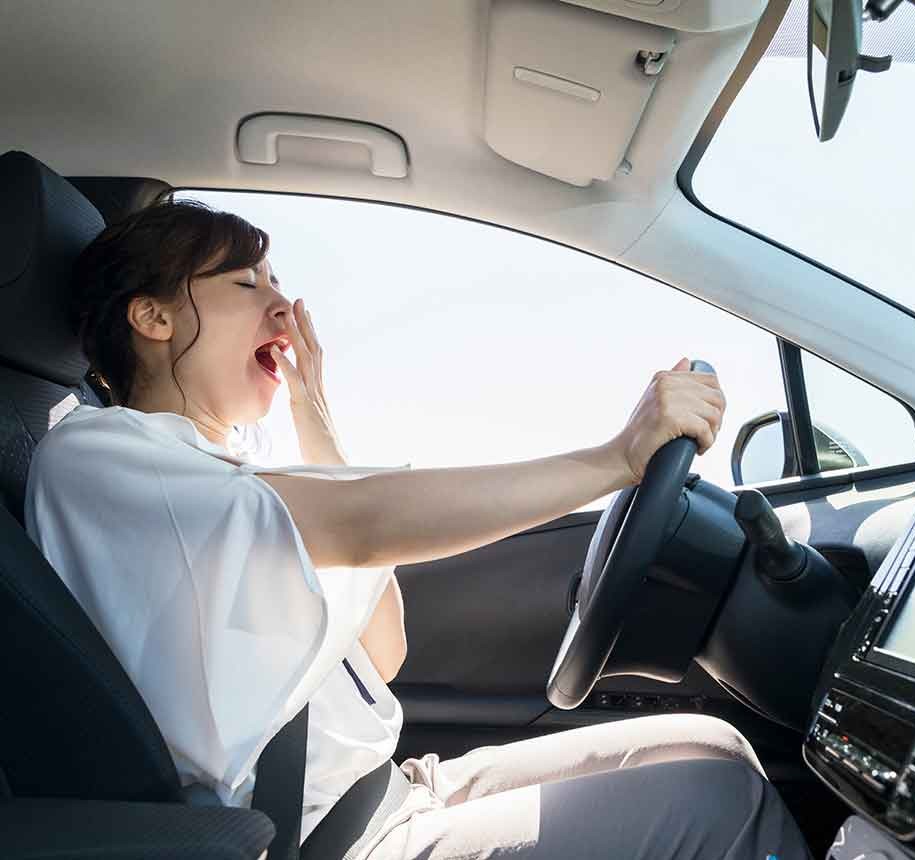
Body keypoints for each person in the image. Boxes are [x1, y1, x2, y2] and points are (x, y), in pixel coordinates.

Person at [24, 198, 811, 860]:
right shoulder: (101, 455)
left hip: (388, 792)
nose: (283, 308)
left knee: (713, 747)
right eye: (243, 282)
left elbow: (384, 647)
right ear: (153, 316)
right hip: (323, 839)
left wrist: (315, 420)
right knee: (722, 803)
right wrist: (615, 457)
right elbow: (363, 524)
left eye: (278, 281)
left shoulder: (222, 471)